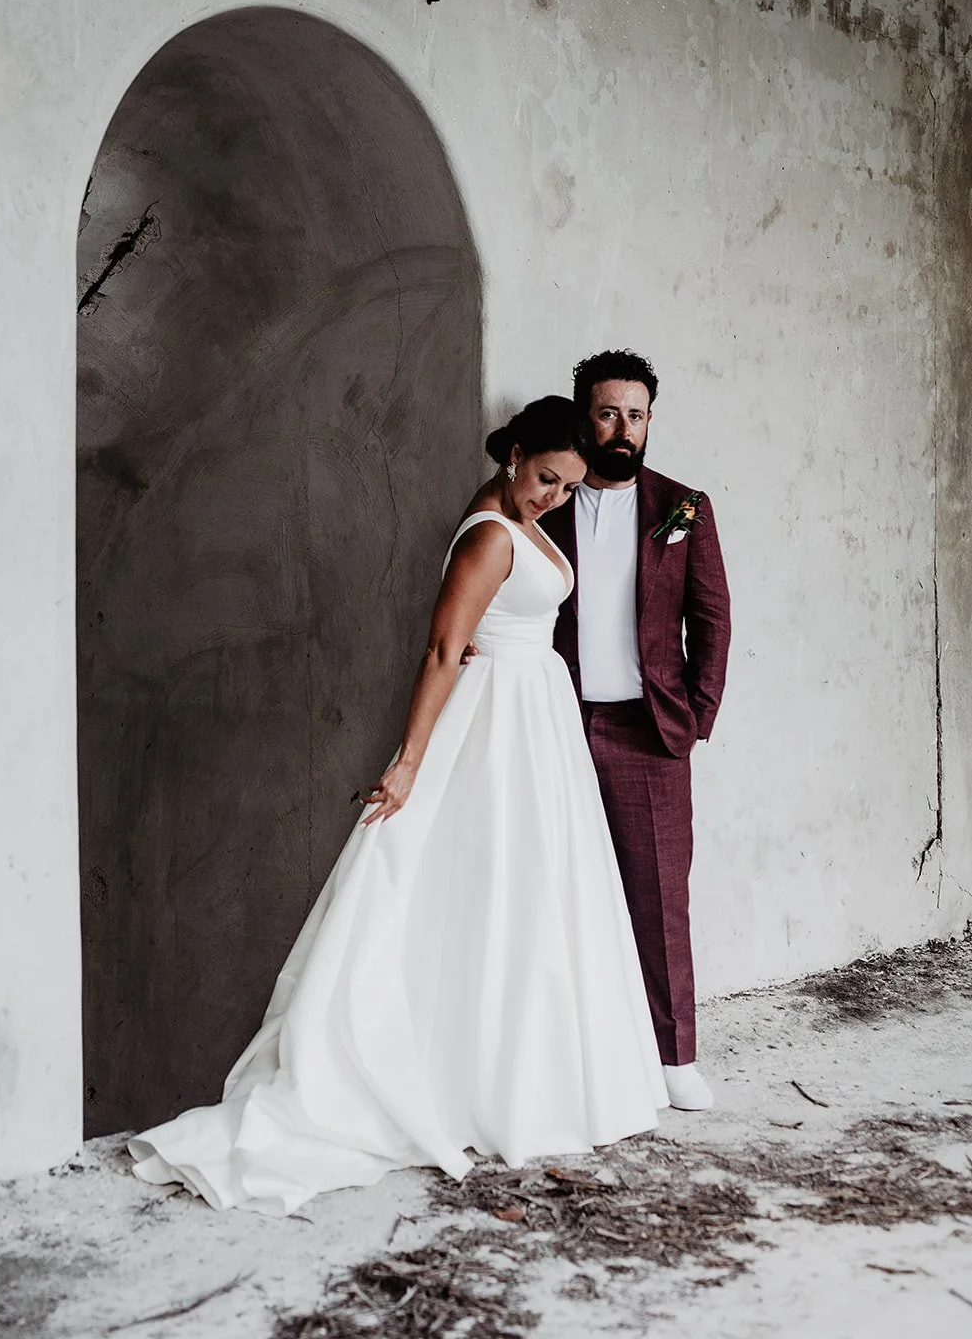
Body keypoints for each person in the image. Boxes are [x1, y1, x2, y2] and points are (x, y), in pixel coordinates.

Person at [128, 396, 667, 1216]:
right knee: (481, 891)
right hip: (494, 722)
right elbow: (445, 647)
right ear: (513, 454)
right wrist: (411, 763)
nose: (553, 499)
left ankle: (520, 1072)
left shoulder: (510, 516)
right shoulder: (489, 533)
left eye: (566, 489)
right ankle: (461, 1081)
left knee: (527, 896)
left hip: (533, 719)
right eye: (546, 480)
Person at [538, 352, 731, 1112]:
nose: (623, 428)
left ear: (650, 420)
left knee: (657, 899)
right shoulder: (544, 501)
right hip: (553, 723)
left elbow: (710, 620)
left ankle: (672, 1055)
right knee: (551, 889)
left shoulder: (682, 507)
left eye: (636, 414)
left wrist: (696, 719)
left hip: (647, 731)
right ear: (585, 416)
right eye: (608, 412)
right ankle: (568, 1051)